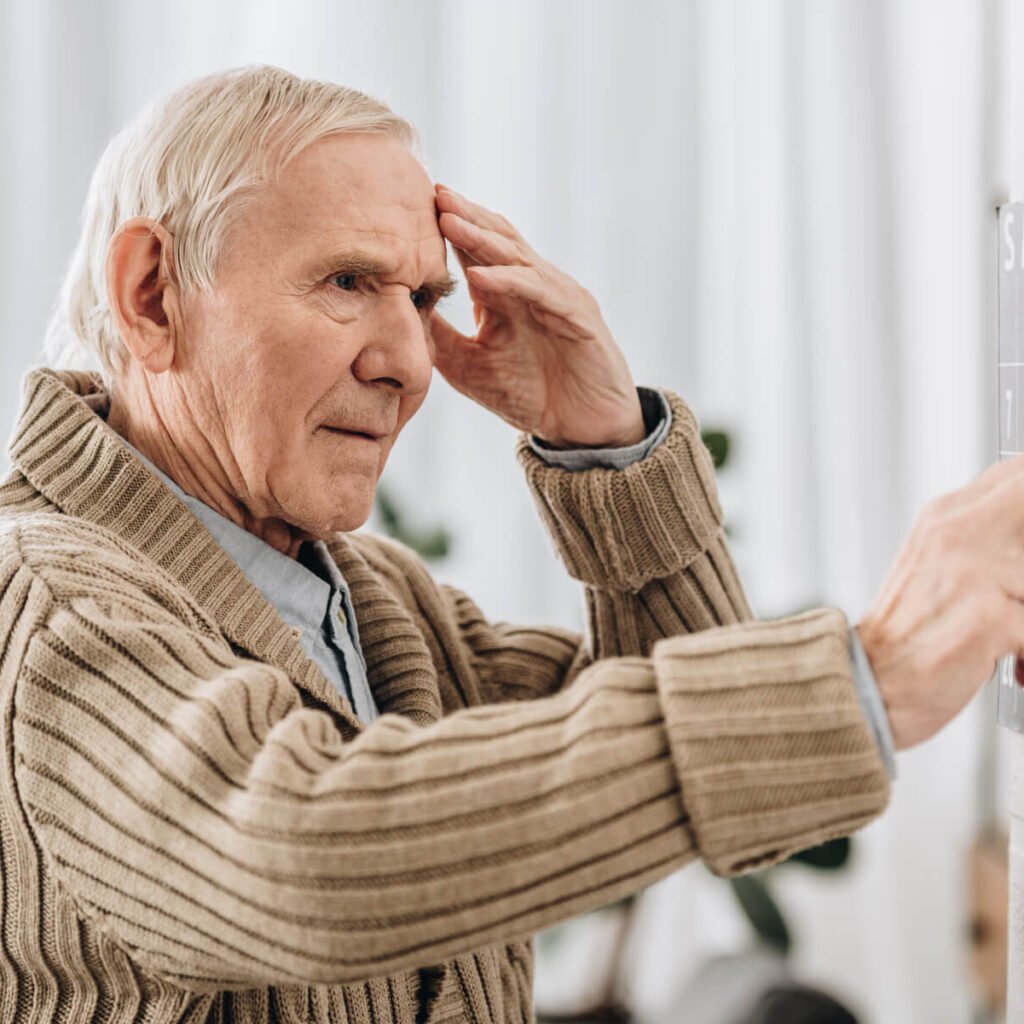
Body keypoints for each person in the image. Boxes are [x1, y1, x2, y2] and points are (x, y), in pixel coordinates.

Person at [0, 64, 1018, 1024]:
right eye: (349, 280)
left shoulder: (376, 600)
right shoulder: (41, 602)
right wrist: (864, 680)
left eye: (427, 297)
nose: (408, 361)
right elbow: (301, 853)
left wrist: (607, 450)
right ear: (150, 293)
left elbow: (742, 795)